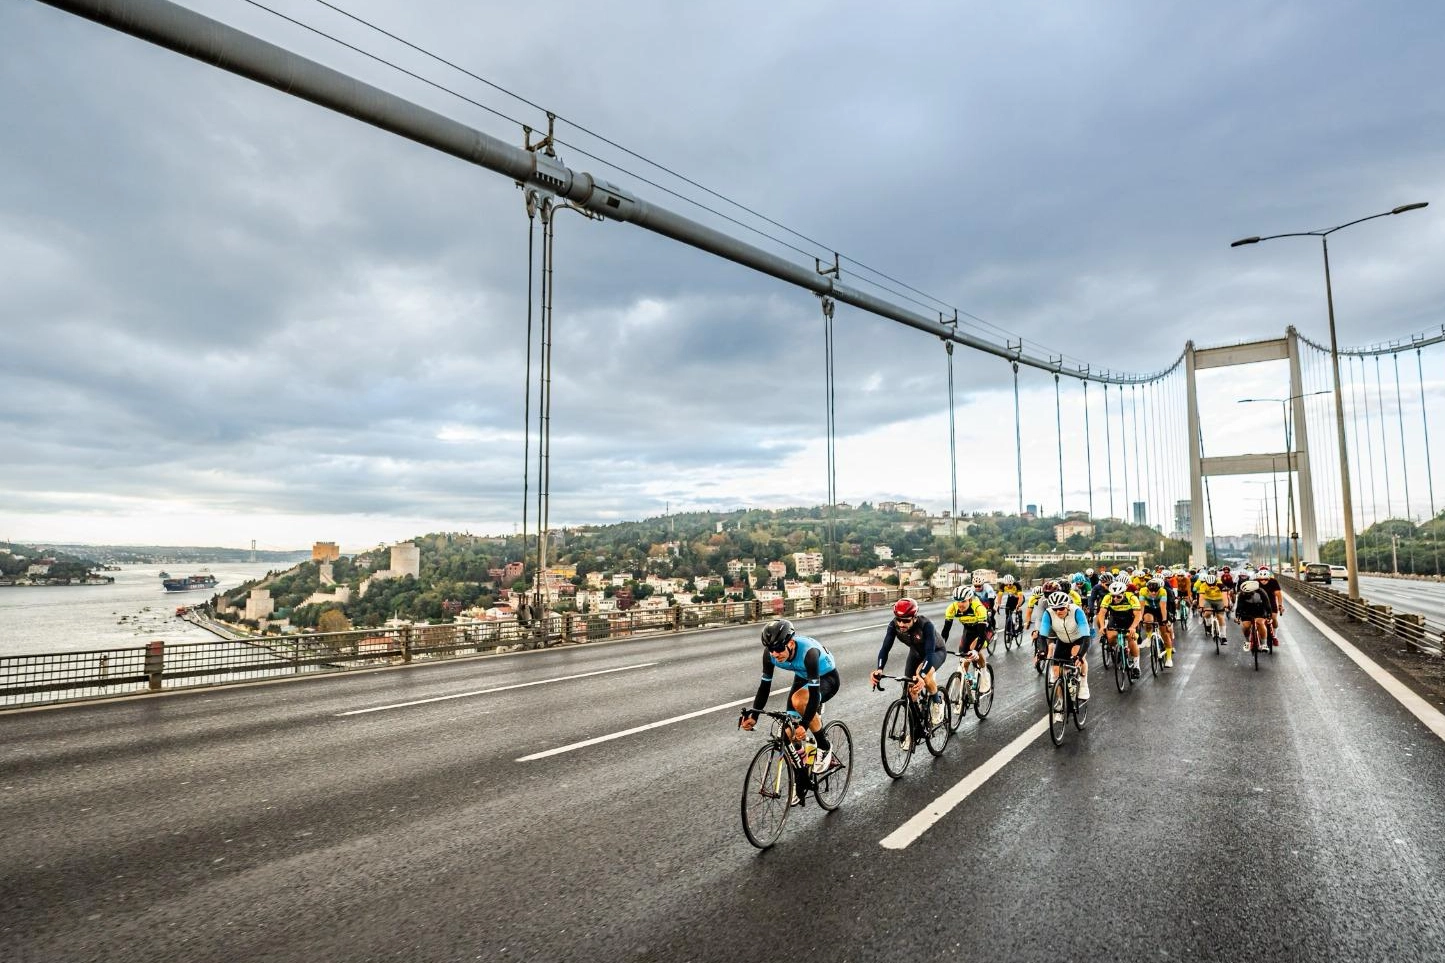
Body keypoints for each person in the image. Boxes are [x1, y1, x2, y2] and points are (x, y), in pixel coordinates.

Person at [740, 619, 840, 775]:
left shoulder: (809, 653)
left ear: (791, 644)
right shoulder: (770, 655)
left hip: (826, 678)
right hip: (802, 676)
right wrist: (754, 716)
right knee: (787, 734)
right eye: (770, 649)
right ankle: (802, 773)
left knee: (799, 701)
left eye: (779, 648)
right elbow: (765, 686)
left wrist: (804, 725)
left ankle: (824, 746)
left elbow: (813, 695)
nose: (775, 654)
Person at [869, 598, 946, 738]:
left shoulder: (926, 625)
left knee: (923, 676)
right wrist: (879, 669)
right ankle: (917, 727)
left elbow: (929, 653)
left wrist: (922, 676)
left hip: (935, 652)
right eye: (898, 620)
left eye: (905, 621)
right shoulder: (894, 625)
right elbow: (885, 648)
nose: (901, 624)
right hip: (915, 653)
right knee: (909, 689)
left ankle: (937, 702)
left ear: (914, 618)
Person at [1035, 590, 1092, 705]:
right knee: (1057, 673)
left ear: (1067, 605)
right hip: (1062, 641)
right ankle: (1061, 702)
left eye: (1061, 608)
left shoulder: (1077, 611)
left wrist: (1080, 655)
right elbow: (1042, 636)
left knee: (1079, 658)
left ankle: (1083, 685)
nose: (1058, 612)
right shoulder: (1048, 613)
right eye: (1055, 609)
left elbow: (1086, 637)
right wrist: (1041, 652)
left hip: (1079, 640)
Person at [941, 586, 993, 695]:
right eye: (958, 601)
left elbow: (981, 635)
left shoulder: (978, 608)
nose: (960, 604)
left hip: (984, 630)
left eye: (963, 601)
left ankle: (985, 675)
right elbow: (945, 631)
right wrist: (940, 646)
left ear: (970, 600)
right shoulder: (952, 608)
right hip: (969, 630)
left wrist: (975, 651)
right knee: (964, 660)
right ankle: (970, 687)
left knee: (973, 649)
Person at [1095, 580, 1143, 679]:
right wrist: (1102, 626)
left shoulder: (1132, 598)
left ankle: (1136, 666)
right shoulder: (1107, 597)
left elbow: (1138, 615)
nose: (1115, 599)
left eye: (1118, 597)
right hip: (1115, 618)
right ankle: (1116, 648)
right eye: (1113, 596)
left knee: (1131, 639)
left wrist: (1133, 627)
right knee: (1110, 637)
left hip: (1130, 620)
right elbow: (1102, 613)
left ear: (1124, 593)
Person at [1138, 577, 1175, 667]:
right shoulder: (1142, 591)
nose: (1153, 593)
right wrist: (1140, 618)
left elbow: (1163, 607)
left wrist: (1164, 620)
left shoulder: (1163, 591)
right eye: (1151, 591)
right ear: (1147, 589)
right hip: (1149, 608)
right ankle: (1149, 637)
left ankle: (1169, 659)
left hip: (1159, 609)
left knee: (1165, 633)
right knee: (1147, 621)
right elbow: (1141, 606)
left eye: (1156, 591)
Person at [1233, 578, 1273, 651]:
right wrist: (1237, 617)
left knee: (1260, 623)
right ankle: (1247, 641)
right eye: (1244, 592)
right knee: (1246, 626)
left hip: (1259, 609)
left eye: (1247, 593)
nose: (1245, 594)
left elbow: (1267, 605)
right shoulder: (1242, 594)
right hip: (1246, 609)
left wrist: (1269, 616)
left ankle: (1264, 644)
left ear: (1253, 591)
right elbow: (1239, 607)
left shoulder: (1261, 592)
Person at [1255, 565, 1284, 645]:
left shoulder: (1273, 582)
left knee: (1274, 618)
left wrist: (1280, 605)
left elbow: (1278, 594)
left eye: (1265, 579)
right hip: (1259, 603)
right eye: (1261, 579)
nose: (1263, 581)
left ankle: (1275, 636)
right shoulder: (1255, 582)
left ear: (1269, 577)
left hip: (1271, 602)